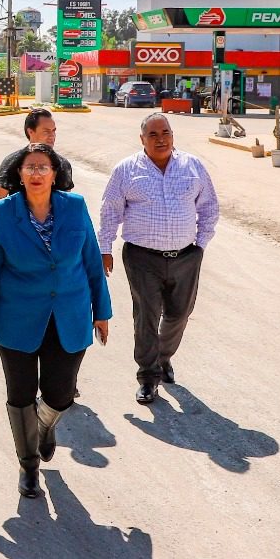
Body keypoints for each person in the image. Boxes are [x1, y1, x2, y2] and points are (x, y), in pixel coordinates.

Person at [0, 143, 111, 498]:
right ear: (19, 174)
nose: (35, 173)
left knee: (60, 395)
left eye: (43, 167)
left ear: (55, 174)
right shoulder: (3, 213)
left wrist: (102, 312)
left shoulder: (75, 208)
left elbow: (92, 260)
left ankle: (45, 425)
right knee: (20, 395)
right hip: (16, 319)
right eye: (29, 167)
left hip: (70, 315)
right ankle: (28, 465)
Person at [98, 113, 220, 405]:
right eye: (153, 134)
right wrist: (105, 248)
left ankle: (162, 357)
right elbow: (109, 210)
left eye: (165, 132)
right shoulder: (126, 170)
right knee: (146, 317)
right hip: (142, 257)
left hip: (186, 255)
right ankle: (148, 376)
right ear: (142, 139)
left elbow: (210, 206)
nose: (161, 138)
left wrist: (200, 244)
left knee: (180, 313)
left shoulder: (192, 166)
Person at [0, 108, 73, 205]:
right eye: (46, 131)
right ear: (30, 132)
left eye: (53, 131)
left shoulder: (63, 165)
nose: (52, 136)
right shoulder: (12, 163)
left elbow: (66, 207)